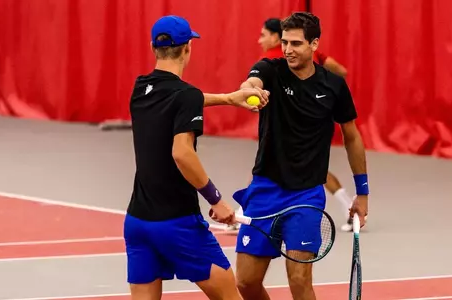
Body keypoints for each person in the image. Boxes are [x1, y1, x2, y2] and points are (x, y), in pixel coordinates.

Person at [123, 15, 269, 300]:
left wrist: (229, 98)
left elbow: (179, 98)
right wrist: (215, 199)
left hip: (138, 223)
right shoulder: (184, 96)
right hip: (178, 225)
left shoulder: (140, 88)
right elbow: (182, 153)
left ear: (155, 49)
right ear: (188, 47)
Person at [233, 12, 369, 300]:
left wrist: (363, 193)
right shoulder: (270, 69)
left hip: (306, 195)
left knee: (299, 279)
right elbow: (252, 82)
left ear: (314, 44)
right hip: (265, 190)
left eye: (295, 43)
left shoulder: (333, 86)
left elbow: (352, 137)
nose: (287, 50)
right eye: (284, 42)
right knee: (246, 282)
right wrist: (249, 91)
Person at [225, 17, 356, 233]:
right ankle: (347, 205)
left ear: (275, 37)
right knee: (314, 170)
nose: (260, 40)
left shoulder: (273, 58)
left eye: (263, 35)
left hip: (289, 132)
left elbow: (337, 78)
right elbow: (340, 71)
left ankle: (244, 211)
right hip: (300, 132)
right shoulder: (301, 56)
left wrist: (324, 94)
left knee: (267, 162)